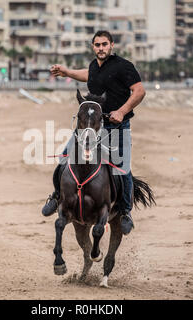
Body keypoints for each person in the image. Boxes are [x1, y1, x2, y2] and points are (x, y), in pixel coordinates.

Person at [41, 30, 146, 235]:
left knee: (122, 168)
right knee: (64, 158)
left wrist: (122, 111)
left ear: (111, 45)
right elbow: (87, 75)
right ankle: (56, 197)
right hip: (91, 125)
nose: (101, 48)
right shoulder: (94, 66)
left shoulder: (124, 66)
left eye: (104, 44)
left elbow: (140, 91)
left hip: (116, 127)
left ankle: (125, 211)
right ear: (93, 47)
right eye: (97, 45)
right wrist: (67, 72)